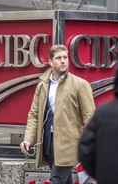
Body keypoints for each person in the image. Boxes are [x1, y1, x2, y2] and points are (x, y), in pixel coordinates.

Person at [20, 44, 95, 184]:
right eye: (58, 58)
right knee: (64, 181)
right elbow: (34, 114)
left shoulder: (80, 85)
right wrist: (28, 139)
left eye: (65, 57)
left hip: (69, 143)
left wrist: (90, 146)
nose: (63, 61)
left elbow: (90, 118)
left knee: (56, 180)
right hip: (48, 142)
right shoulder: (42, 86)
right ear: (50, 62)